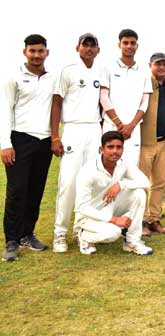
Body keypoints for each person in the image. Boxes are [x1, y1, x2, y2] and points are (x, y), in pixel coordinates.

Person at [1, 34, 55, 262]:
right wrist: (5, 144)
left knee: (36, 190)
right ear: (25, 52)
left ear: (46, 53)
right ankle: (11, 241)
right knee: (16, 191)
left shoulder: (52, 78)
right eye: (32, 51)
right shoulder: (13, 77)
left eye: (40, 51)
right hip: (20, 140)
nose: (36, 55)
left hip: (44, 142)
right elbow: (4, 109)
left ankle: (27, 234)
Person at [50, 33, 103, 253]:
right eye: (85, 45)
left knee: (89, 182)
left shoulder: (101, 70)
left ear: (98, 50)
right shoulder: (68, 70)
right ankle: (60, 234)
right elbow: (56, 103)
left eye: (93, 46)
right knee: (69, 182)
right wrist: (55, 136)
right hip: (72, 128)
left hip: (94, 128)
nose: (89, 49)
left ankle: (82, 230)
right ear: (77, 48)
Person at [75, 131, 153, 255]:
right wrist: (114, 220)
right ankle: (84, 235)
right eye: (110, 147)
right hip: (88, 216)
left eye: (119, 147)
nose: (115, 151)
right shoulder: (88, 171)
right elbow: (82, 208)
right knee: (114, 233)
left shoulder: (123, 162)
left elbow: (145, 182)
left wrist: (121, 184)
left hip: (110, 207)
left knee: (139, 193)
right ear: (101, 149)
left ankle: (132, 241)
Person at [138, 52, 165, 236]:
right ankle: (140, 221)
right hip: (145, 141)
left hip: (164, 143)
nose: (161, 67)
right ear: (150, 65)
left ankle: (154, 218)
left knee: (159, 184)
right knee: (141, 183)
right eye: (158, 64)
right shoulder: (143, 83)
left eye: (164, 64)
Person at [99, 28, 152, 165]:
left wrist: (131, 126)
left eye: (132, 43)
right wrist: (119, 124)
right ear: (119, 45)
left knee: (130, 168)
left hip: (133, 129)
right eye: (125, 43)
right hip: (112, 125)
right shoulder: (108, 67)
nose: (129, 46)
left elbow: (145, 102)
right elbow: (104, 98)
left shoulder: (144, 70)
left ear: (137, 46)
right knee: (108, 165)